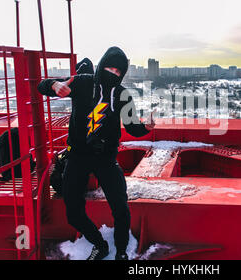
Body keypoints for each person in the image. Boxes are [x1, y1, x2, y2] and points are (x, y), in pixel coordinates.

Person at [37, 47, 154, 260]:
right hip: (77, 157)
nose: (113, 74)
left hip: (106, 159)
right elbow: (41, 86)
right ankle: (99, 245)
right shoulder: (82, 82)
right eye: (110, 68)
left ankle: (121, 251)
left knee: (120, 207)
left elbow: (132, 127)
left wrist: (146, 127)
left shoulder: (122, 95)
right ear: (101, 65)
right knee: (73, 212)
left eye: (119, 72)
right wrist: (54, 85)